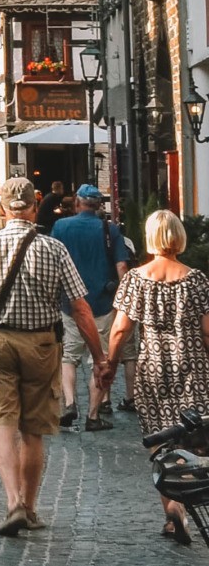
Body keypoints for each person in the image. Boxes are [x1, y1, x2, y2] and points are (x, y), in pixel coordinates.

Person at [0, 177, 106, 537]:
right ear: (34, 203)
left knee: (3, 426)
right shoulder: (53, 249)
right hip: (42, 345)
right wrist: (99, 356)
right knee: (34, 430)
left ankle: (11, 504)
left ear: (4, 208)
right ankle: (30, 506)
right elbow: (81, 308)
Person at [106, 208, 209, 543]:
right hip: (193, 368)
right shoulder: (197, 280)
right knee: (196, 440)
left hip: (152, 372)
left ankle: (172, 511)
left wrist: (108, 364)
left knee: (160, 441)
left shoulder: (136, 279)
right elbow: (208, 332)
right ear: (179, 237)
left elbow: (120, 329)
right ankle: (192, 505)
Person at [50, 184, 133, 431]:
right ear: (99, 206)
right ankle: (93, 416)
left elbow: (52, 261)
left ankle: (70, 403)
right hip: (102, 303)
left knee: (68, 358)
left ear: (77, 202)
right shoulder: (110, 230)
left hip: (70, 304)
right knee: (102, 360)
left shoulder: (61, 227)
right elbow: (121, 267)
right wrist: (124, 298)